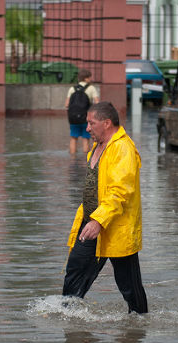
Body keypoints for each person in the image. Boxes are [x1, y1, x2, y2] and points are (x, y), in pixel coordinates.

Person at [62, 102, 148, 314]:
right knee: (75, 270)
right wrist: (92, 220)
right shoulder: (97, 147)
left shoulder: (123, 149)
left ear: (107, 123)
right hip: (91, 224)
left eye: (91, 123)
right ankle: (67, 319)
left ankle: (139, 328)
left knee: (129, 286)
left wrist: (99, 221)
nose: (87, 128)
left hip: (116, 228)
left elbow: (120, 191)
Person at [64, 69, 99, 155]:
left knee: (73, 138)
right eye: (90, 77)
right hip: (85, 117)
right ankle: (85, 159)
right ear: (86, 78)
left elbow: (66, 104)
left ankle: (72, 157)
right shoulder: (91, 88)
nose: (91, 79)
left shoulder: (72, 88)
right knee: (85, 138)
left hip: (73, 118)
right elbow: (97, 103)